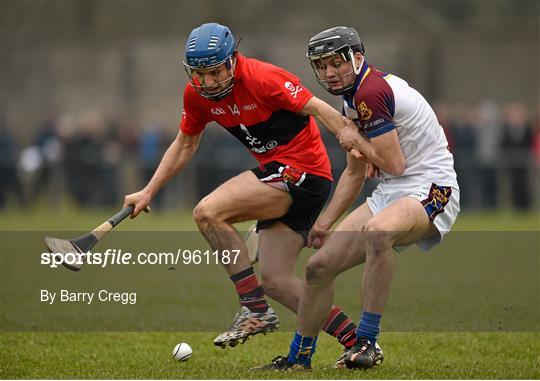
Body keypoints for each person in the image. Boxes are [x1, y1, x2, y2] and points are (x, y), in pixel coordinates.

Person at [124, 23, 367, 353]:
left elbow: (320, 108)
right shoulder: (196, 95)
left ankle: (254, 309)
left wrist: (359, 147)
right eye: (199, 74)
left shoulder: (263, 78)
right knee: (276, 281)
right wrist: (149, 190)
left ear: (232, 60)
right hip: (286, 177)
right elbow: (184, 144)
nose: (207, 82)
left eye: (214, 72)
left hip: (302, 172)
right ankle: (357, 342)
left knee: (208, 213)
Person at [254, 26, 460, 371]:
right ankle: (298, 358)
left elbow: (393, 163)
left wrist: (355, 139)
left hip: (432, 185)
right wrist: (323, 224)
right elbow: (353, 172)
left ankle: (366, 343)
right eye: (321, 66)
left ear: (358, 58)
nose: (329, 73)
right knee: (318, 268)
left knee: (378, 232)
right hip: (395, 190)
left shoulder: (371, 91)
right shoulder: (351, 98)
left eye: (336, 63)